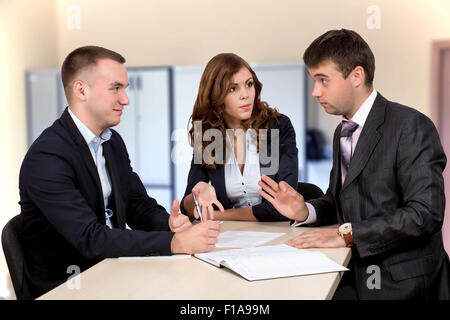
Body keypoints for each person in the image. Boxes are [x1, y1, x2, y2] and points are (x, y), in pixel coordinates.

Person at [259, 29, 450, 299]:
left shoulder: (410, 126)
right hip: (354, 270)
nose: (315, 91)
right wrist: (305, 211)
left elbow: (425, 214)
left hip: (404, 282)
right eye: (314, 81)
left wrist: (347, 234)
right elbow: (341, 200)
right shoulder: (343, 131)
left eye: (323, 80)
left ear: (357, 76)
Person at [19, 46, 220, 299]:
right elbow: (89, 238)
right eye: (116, 88)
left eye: (124, 88)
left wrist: (170, 225)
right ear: (81, 90)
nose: (125, 99)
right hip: (69, 286)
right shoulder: (47, 157)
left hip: (112, 270)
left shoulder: (112, 142)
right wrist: (175, 243)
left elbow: (138, 206)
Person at [180, 53, 298, 222]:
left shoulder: (277, 127)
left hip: (278, 233)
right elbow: (189, 208)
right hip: (232, 237)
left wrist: (219, 215)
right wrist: (197, 195)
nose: (245, 95)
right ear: (215, 96)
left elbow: (283, 206)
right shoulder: (209, 136)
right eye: (233, 89)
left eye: (249, 84)